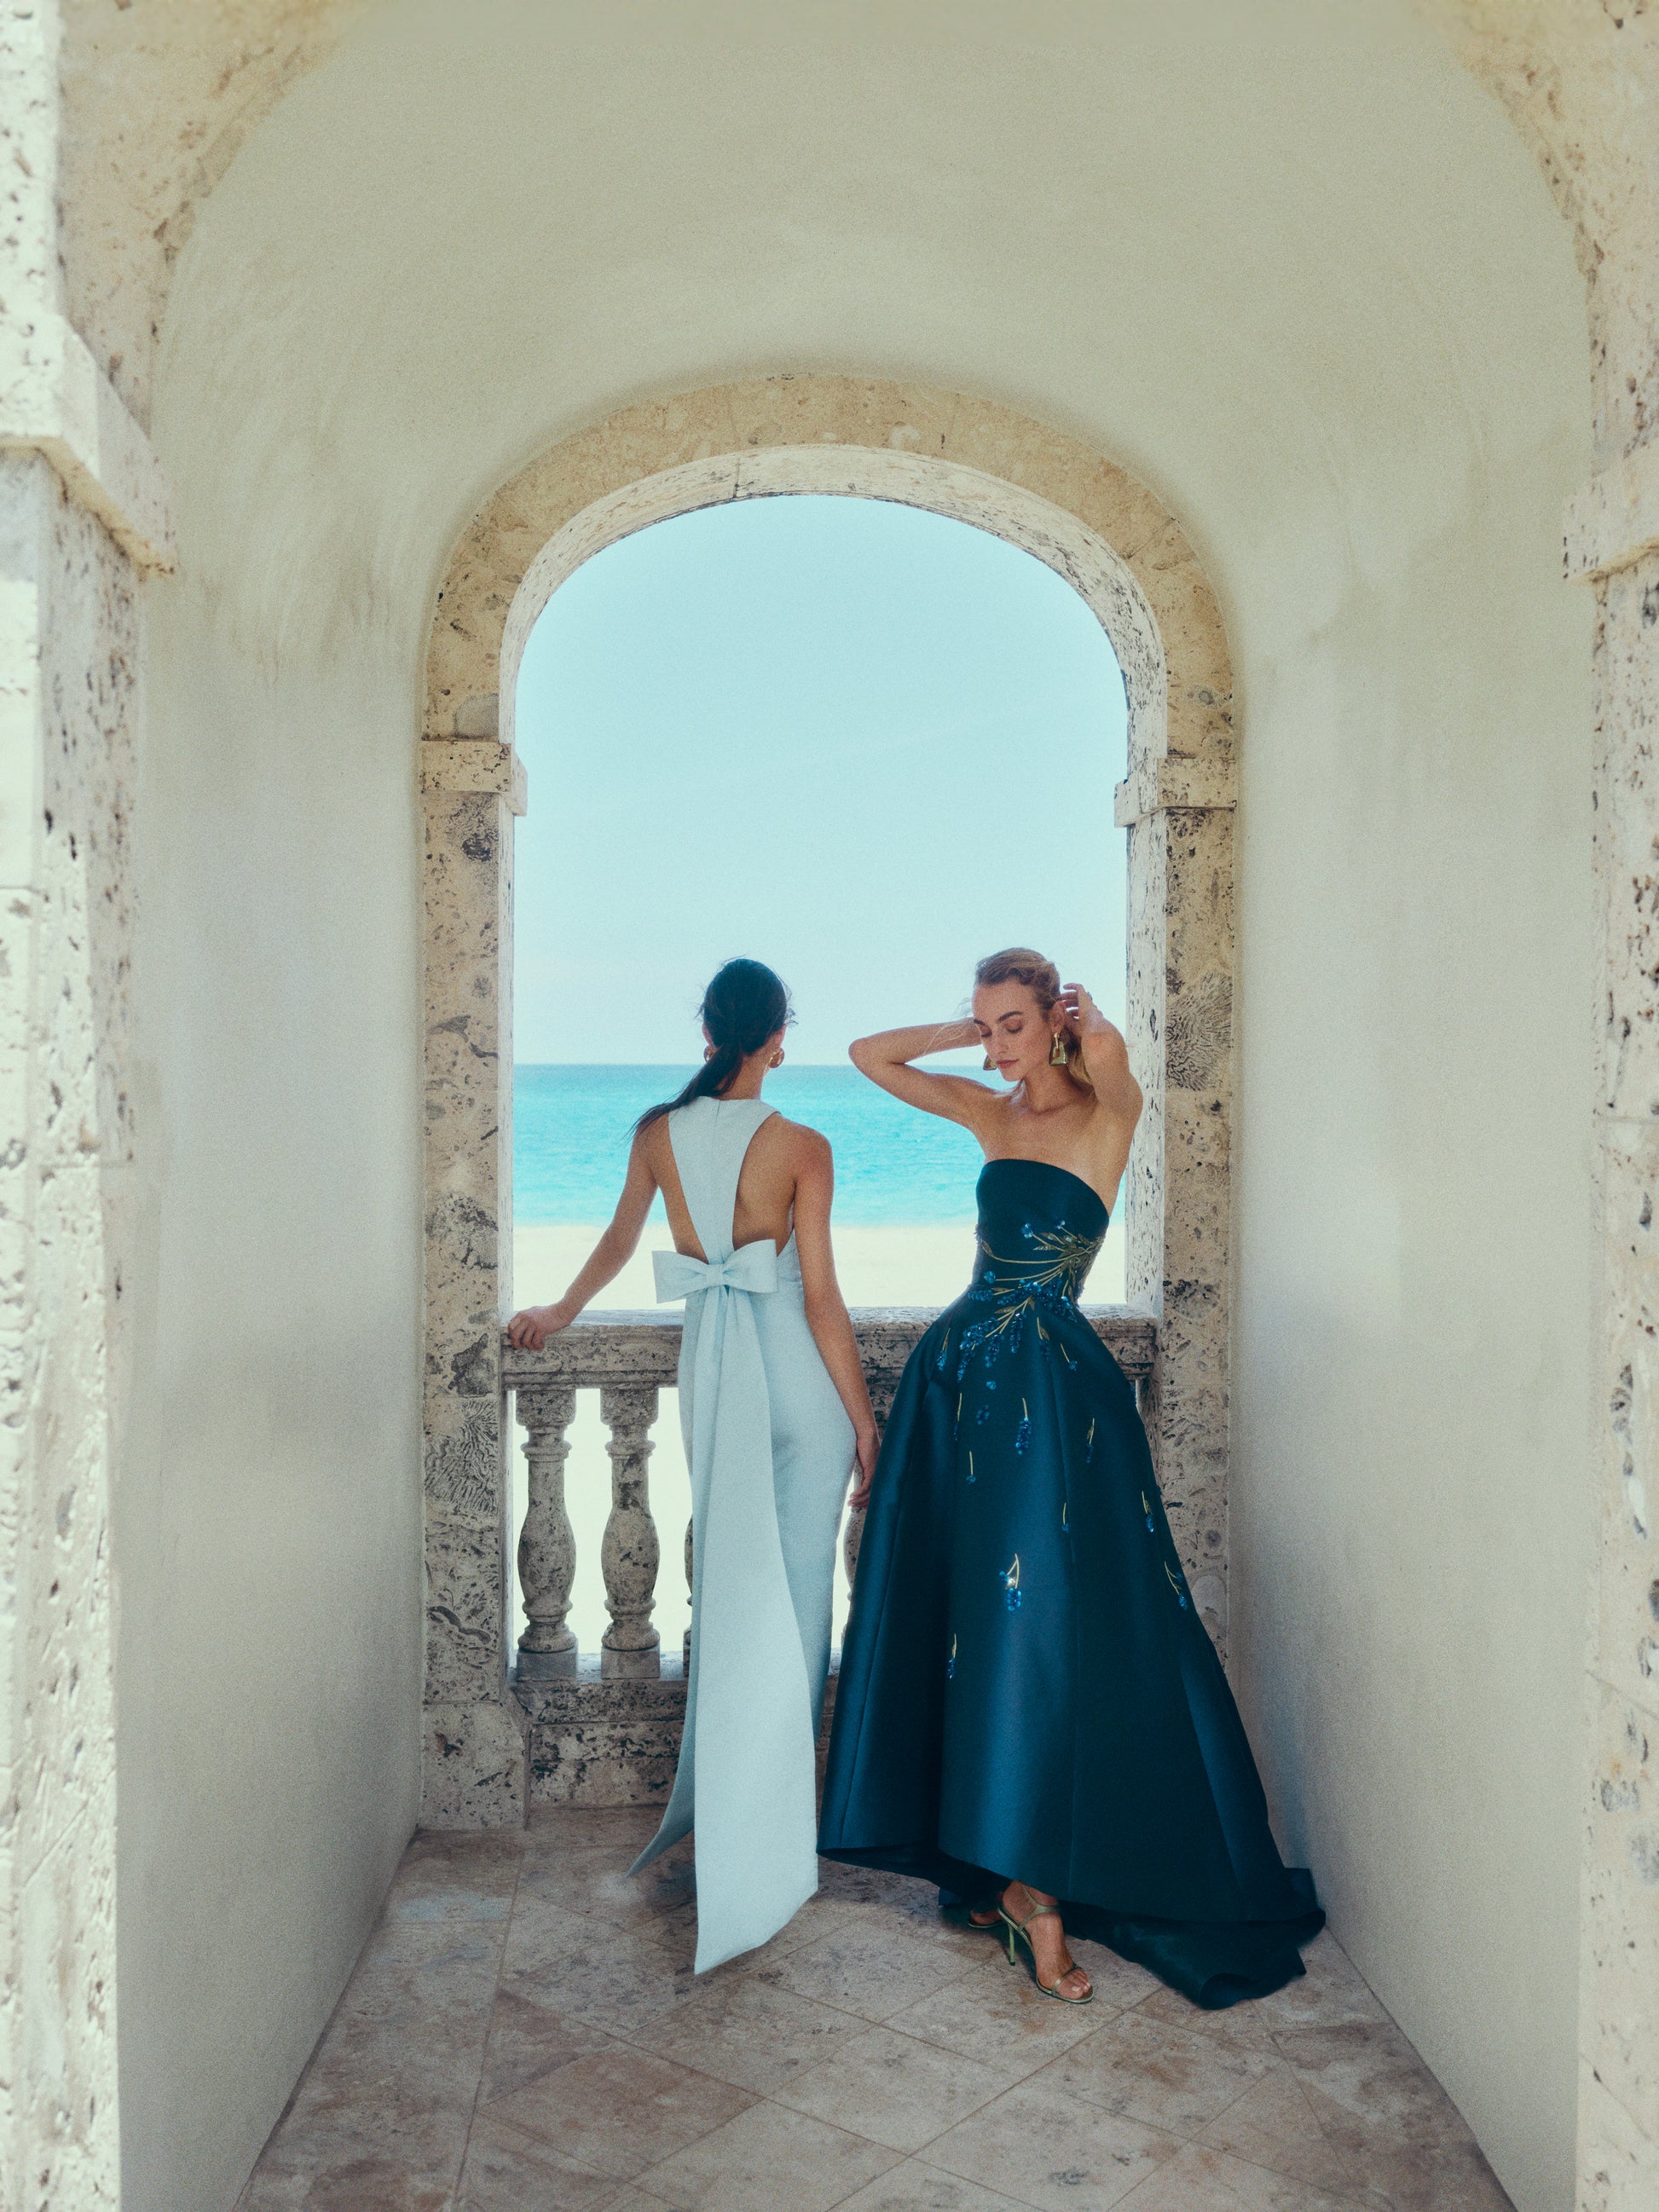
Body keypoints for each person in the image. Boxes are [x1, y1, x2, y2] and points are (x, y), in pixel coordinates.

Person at [818, 947, 1322, 2008]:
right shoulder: (987, 1114)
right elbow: (867, 1056)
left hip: (1050, 1397)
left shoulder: (1106, 1112)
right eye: (985, 1025)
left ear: (1056, 1018)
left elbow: (1116, 1066)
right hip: (955, 1378)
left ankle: (1038, 1881)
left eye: (1014, 1024)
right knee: (963, 1617)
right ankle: (1009, 1875)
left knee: (1046, 1621)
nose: (998, 1045)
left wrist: (1071, 1030)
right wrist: (977, 1035)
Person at [507, 958, 875, 1971]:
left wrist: (554, 1313)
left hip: (716, 1366)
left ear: (706, 1031)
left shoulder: (656, 1134)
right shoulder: (803, 1144)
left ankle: (728, 1827)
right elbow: (822, 1301)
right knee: (794, 1608)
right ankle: (765, 1827)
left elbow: (620, 1241)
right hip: (798, 1387)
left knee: (730, 1592)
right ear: (776, 1039)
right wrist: (865, 1422)